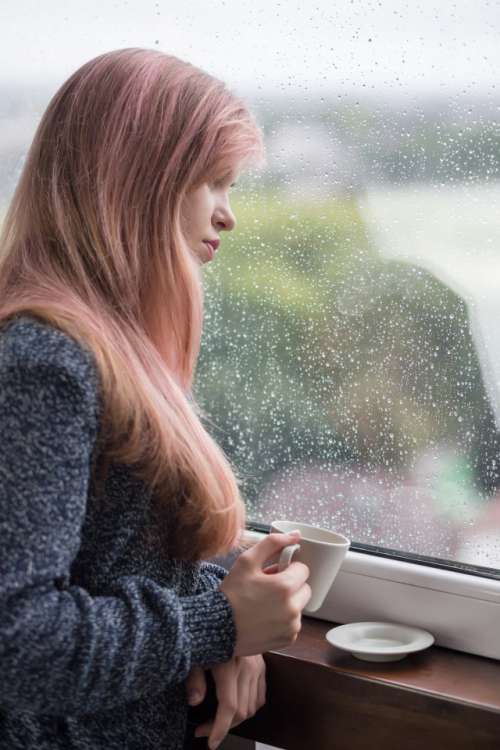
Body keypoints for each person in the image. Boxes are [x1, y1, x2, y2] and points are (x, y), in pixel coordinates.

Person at [0, 47, 312, 750]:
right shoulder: (43, 362)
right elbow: (17, 642)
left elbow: (109, 571)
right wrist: (219, 624)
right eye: (212, 182)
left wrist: (227, 612)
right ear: (138, 182)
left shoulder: (98, 352)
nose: (227, 216)